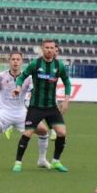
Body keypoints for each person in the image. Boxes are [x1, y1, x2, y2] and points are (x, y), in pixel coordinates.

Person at [0, 50, 50, 170]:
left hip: (21, 113)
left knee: (43, 130)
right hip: (4, 112)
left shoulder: (28, 78)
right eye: (13, 59)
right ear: (9, 61)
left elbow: (35, 93)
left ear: (22, 62)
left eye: (18, 59)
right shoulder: (1, 76)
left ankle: (42, 160)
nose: (15, 62)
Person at [12, 39, 71, 173]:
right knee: (27, 133)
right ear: (42, 49)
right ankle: (18, 162)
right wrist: (18, 87)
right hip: (35, 107)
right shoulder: (35, 64)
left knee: (62, 132)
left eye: (52, 47)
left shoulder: (59, 65)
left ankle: (56, 161)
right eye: (47, 47)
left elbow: (67, 82)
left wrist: (66, 100)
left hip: (51, 107)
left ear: (54, 49)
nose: (49, 50)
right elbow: (22, 76)